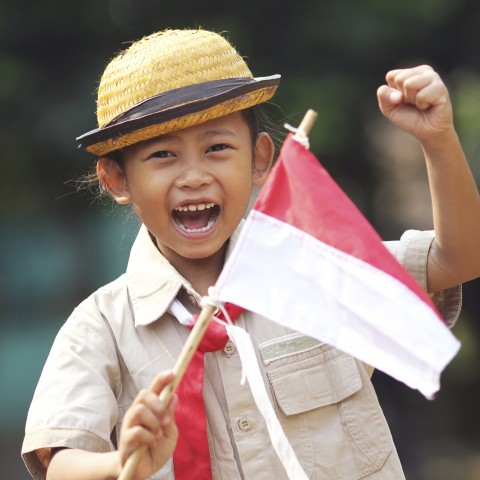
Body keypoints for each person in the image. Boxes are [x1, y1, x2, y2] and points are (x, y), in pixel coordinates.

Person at [21, 28, 480, 480]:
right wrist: (123, 463)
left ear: (260, 158)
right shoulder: (100, 326)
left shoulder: (317, 269)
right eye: (163, 155)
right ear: (118, 180)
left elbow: (458, 258)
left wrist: (438, 140)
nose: (194, 176)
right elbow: (60, 460)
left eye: (217, 148)